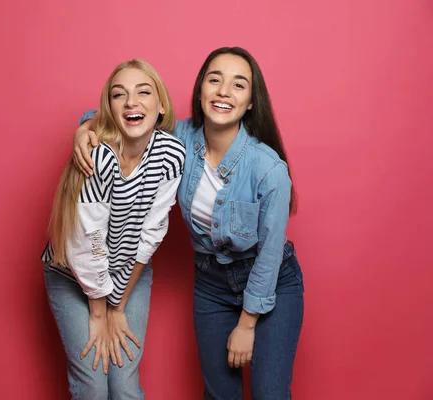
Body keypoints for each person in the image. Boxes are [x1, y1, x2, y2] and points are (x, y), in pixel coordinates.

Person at [73, 47, 304, 400]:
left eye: (238, 85)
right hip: (211, 282)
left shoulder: (269, 169)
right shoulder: (179, 139)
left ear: (250, 103)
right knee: (218, 394)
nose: (224, 91)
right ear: (200, 91)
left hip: (269, 282)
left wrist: (247, 323)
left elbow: (270, 255)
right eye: (215, 80)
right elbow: (123, 113)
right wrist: (85, 129)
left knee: (269, 393)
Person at [42, 58, 185, 400]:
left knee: (123, 387)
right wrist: (99, 311)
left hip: (127, 272)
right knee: (92, 385)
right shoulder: (98, 157)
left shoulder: (170, 153)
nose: (132, 101)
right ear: (108, 108)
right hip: (74, 274)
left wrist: (117, 306)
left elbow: (152, 233)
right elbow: (86, 243)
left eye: (143, 92)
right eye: (119, 94)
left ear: (160, 105)